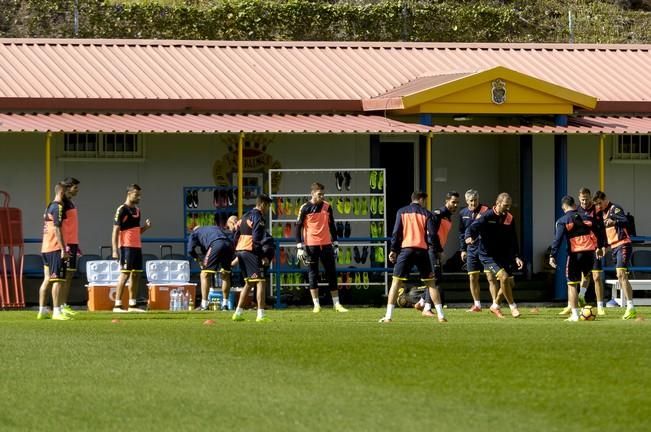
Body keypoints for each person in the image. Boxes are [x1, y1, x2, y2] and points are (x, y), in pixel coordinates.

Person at [380, 191, 446, 323]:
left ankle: (388, 316)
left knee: (396, 283)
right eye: (425, 201)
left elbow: (396, 232)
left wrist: (393, 250)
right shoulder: (427, 213)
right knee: (431, 283)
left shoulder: (401, 211)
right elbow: (433, 235)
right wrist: (439, 250)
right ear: (421, 199)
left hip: (406, 250)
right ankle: (441, 315)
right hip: (422, 251)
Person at [465, 192, 523, 318]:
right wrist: (468, 237)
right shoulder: (487, 216)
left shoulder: (509, 218)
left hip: (503, 255)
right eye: (505, 206)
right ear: (497, 203)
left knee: (509, 283)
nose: (507, 209)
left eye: (509, 206)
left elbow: (513, 238)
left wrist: (516, 256)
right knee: (503, 277)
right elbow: (472, 227)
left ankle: (495, 305)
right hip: (487, 255)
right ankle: (513, 307)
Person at [295, 182, 348, 313]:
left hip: (326, 244)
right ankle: (316, 305)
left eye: (323, 194)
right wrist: (299, 247)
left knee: (331, 273)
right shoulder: (305, 207)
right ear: (312, 194)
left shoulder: (327, 206)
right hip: (311, 245)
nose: (322, 196)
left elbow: (332, 225)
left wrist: (335, 243)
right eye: (319, 194)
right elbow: (298, 227)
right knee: (313, 274)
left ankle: (337, 304)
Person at [549, 196, 600, 321]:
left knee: (571, 284)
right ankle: (582, 295)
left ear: (563, 207)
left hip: (575, 254)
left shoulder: (563, 220)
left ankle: (575, 314)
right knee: (586, 276)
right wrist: (600, 247)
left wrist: (552, 255)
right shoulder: (587, 217)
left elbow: (558, 239)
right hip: (589, 254)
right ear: (575, 204)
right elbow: (599, 232)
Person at [559, 187, 607, 316]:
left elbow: (601, 229)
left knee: (596, 277)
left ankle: (600, 306)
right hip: (581, 249)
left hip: (595, 247)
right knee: (578, 278)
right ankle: (573, 303)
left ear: (590, 198)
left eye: (586, 199)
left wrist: (602, 246)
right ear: (579, 199)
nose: (584, 202)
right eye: (582, 199)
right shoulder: (576, 211)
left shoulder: (597, 210)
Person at [592, 191, 637, 320]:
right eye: (597, 205)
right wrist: (603, 248)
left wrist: (614, 221)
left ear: (605, 199)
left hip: (623, 244)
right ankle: (630, 307)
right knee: (619, 275)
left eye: (600, 203)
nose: (599, 206)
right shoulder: (602, 213)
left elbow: (625, 221)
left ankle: (630, 307)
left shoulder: (614, 208)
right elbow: (607, 234)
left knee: (621, 274)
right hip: (614, 247)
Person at [414, 191, 459, 317]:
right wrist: (439, 251)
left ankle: (421, 302)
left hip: (435, 249)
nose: (455, 205)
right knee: (434, 279)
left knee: (436, 278)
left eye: (457, 203)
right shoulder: (438, 214)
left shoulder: (448, 216)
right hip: (432, 249)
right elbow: (432, 234)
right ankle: (426, 308)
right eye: (453, 202)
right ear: (447, 201)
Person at [232, 194, 273, 322]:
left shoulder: (244, 216)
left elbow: (235, 235)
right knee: (261, 281)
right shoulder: (258, 217)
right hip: (251, 251)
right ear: (262, 204)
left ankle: (237, 314)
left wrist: (237, 251)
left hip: (240, 250)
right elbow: (256, 239)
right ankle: (261, 315)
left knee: (249, 283)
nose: (267, 209)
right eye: (267, 206)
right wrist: (262, 256)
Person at [111, 184, 151, 313]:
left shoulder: (137, 211)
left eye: (140, 195)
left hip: (137, 246)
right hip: (126, 247)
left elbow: (136, 231)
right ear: (129, 193)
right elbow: (115, 230)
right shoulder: (122, 209)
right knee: (125, 274)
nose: (139, 197)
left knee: (136, 275)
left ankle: (132, 304)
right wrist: (114, 250)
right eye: (136, 194)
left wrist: (145, 227)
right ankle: (117, 305)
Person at [458, 189, 497, 313]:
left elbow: (493, 227)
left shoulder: (486, 210)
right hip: (471, 250)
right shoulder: (462, 212)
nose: (473, 203)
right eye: (471, 201)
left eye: (475, 200)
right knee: (472, 277)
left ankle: (495, 304)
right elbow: (461, 232)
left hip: (485, 249)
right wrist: (463, 249)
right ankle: (477, 305)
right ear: (466, 201)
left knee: (490, 277)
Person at [187, 216, 237, 311]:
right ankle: (225, 305)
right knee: (225, 274)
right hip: (228, 246)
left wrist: (198, 260)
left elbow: (190, 250)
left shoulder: (195, 232)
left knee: (204, 274)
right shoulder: (213, 228)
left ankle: (204, 304)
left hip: (216, 244)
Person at [36, 182, 71, 320]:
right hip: (55, 248)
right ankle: (56, 312)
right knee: (58, 280)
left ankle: (42, 311)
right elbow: (57, 228)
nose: (70, 195)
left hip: (45, 248)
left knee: (47, 279)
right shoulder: (58, 207)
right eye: (68, 192)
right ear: (63, 192)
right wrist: (63, 249)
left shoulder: (49, 206)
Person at [59, 177, 80, 317]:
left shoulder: (70, 203)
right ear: (68, 187)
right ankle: (58, 306)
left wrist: (76, 245)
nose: (77, 190)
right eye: (75, 187)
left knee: (70, 274)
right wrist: (64, 245)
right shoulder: (62, 203)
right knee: (63, 276)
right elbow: (57, 226)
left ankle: (63, 304)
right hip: (66, 244)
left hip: (73, 243)